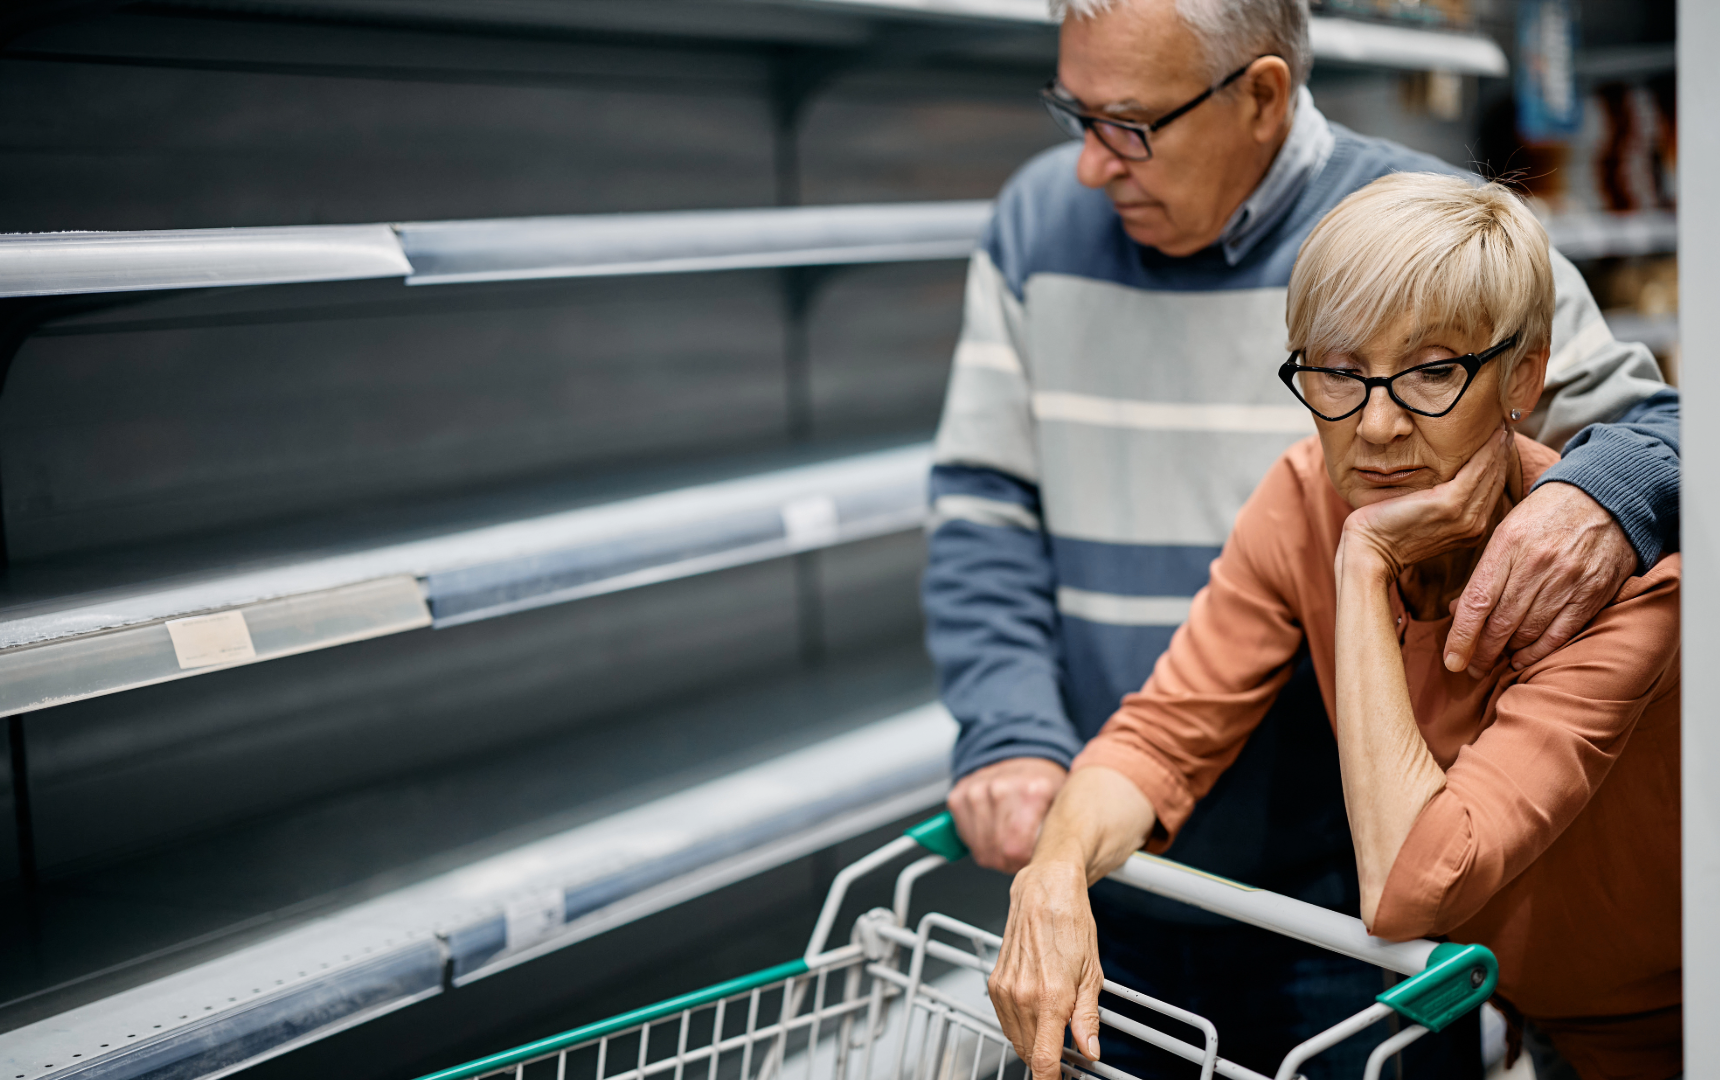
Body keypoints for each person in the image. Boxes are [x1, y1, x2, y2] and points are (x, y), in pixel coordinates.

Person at [924, 0, 1679, 1072]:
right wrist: (1047, 858)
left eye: (1131, 123)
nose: (1372, 426)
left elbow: (1662, 430)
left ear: (1263, 93)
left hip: (1473, 946)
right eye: (1330, 375)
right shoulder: (1300, 483)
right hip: (1174, 876)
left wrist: (1573, 505)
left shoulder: (1448, 245)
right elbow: (1141, 706)